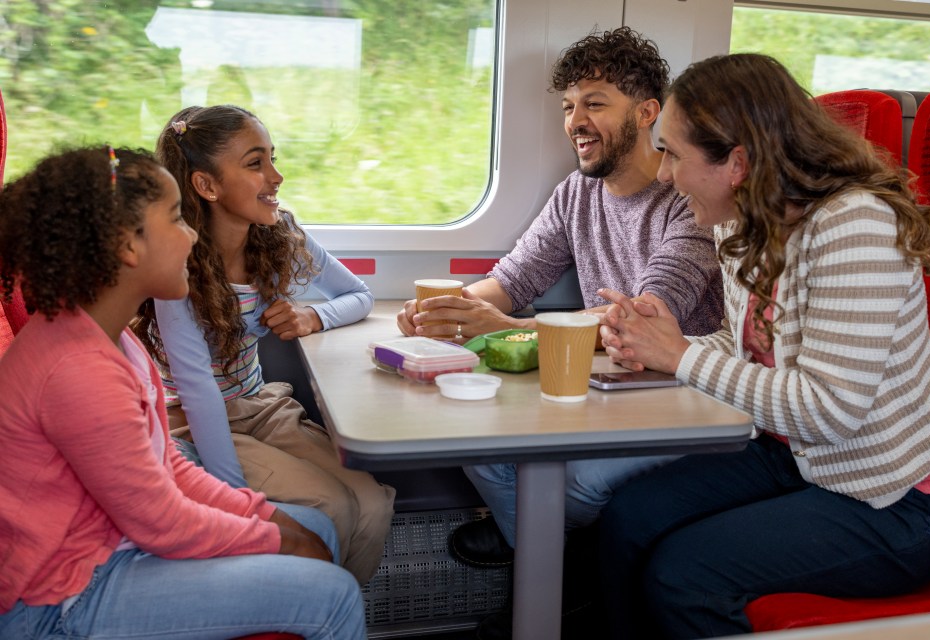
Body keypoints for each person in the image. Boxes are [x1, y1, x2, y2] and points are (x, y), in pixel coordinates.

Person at [595, 52, 930, 639]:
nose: (662, 174)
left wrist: (678, 357)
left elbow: (830, 409)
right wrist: (665, 341)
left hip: (889, 504)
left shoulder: (856, 226)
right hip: (798, 461)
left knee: (682, 575)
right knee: (628, 519)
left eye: (674, 154)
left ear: (736, 162)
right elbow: (754, 352)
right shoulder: (746, 220)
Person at [0, 146, 365, 639]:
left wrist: (265, 516)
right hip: (61, 596)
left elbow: (168, 464)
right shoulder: (76, 370)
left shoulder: (115, 340)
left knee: (317, 528)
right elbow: (161, 522)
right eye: (176, 220)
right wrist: (278, 540)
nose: (192, 234)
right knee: (333, 596)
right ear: (128, 247)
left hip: (107, 546)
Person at [427, 27, 724, 575]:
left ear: (645, 113)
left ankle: (556, 580)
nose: (574, 122)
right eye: (569, 106)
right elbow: (514, 279)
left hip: (679, 392)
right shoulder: (577, 193)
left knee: (580, 484)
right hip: (600, 380)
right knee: (477, 446)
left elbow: (645, 317)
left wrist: (501, 327)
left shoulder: (688, 201)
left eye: (594, 104)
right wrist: (445, 307)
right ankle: (557, 573)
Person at [133, 105, 395, 585]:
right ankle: (311, 609)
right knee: (332, 504)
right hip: (196, 421)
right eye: (255, 164)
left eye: (272, 158)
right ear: (207, 186)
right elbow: (199, 392)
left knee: (374, 503)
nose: (276, 176)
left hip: (261, 404)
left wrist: (314, 316)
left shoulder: (278, 234)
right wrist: (233, 502)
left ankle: (336, 612)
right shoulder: (178, 267)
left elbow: (359, 296)